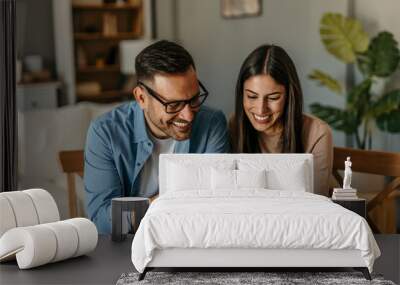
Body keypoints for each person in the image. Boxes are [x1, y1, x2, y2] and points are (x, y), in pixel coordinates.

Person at [84, 40, 230, 233]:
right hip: (129, 248)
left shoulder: (212, 123)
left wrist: (137, 210)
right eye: (174, 105)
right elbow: (102, 221)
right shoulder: (105, 132)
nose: (188, 115)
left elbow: (216, 202)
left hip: (192, 238)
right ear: (141, 98)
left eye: (194, 99)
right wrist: (169, 201)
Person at [229, 44, 332, 196]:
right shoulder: (235, 125)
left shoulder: (317, 134)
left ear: (290, 96)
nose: (260, 109)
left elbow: (315, 201)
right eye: (251, 96)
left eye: (273, 98)